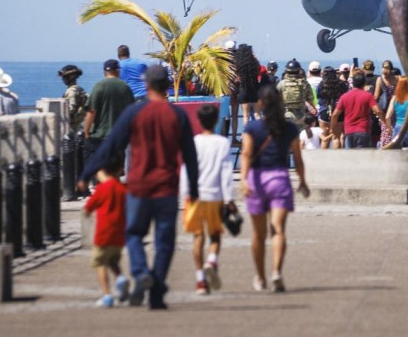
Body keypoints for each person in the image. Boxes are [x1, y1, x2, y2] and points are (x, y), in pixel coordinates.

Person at [79, 64, 199, 310]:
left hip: (139, 187)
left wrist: (86, 173)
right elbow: (190, 156)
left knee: (133, 235)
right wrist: (194, 191)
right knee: (164, 242)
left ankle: (141, 270)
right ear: (166, 87)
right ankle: (156, 295)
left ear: (146, 86)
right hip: (166, 188)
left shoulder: (134, 113)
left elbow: (111, 146)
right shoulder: (177, 116)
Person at [240, 85, 310, 292]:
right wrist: (303, 181)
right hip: (279, 179)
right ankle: (276, 272)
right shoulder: (289, 128)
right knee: (278, 230)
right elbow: (298, 159)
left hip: (256, 180)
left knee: (258, 235)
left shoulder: (251, 128)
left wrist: (243, 179)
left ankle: (260, 278)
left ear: (260, 104)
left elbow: (245, 154)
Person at [179, 103, 236, 295]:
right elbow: (226, 173)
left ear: (199, 121)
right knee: (215, 236)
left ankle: (200, 281)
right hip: (215, 195)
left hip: (195, 195)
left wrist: (185, 193)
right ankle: (211, 260)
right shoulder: (222, 143)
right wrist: (229, 199)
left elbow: (186, 169)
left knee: (198, 237)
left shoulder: (193, 142)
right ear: (216, 120)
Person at [83, 154, 129, 308]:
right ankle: (120, 277)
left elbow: (88, 207)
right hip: (119, 234)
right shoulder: (123, 188)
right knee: (113, 260)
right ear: (121, 169)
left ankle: (107, 295)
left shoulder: (102, 189)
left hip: (103, 233)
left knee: (99, 262)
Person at [84, 60, 134, 169]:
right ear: (117, 71)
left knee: (100, 169)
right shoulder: (125, 87)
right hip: (119, 137)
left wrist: (86, 132)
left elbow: (91, 111)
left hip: (100, 136)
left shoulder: (99, 86)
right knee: (116, 169)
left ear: (104, 72)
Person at [331, 70, 390, 149]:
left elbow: (335, 114)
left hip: (348, 131)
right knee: (363, 157)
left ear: (353, 83)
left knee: (351, 158)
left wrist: (332, 128)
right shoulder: (367, 96)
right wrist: (386, 124)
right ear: (364, 83)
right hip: (363, 130)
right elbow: (378, 111)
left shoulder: (344, 96)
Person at [277, 59, 315, 130]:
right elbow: (310, 99)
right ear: (299, 71)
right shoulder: (304, 84)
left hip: (286, 115)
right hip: (301, 116)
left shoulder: (281, 84)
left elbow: (275, 99)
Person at [316, 66, 348, 149]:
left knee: (325, 138)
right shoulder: (341, 84)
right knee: (336, 137)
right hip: (338, 112)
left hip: (324, 111)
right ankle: (337, 160)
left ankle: (323, 160)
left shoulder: (321, 84)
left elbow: (318, 96)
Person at [234, 44, 261, 131]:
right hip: (255, 89)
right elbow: (259, 69)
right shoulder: (254, 62)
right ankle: (260, 132)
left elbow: (236, 77)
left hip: (244, 90)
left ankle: (246, 134)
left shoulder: (238, 64)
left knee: (246, 115)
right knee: (257, 114)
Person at [58, 65, 88, 135]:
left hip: (73, 128)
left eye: (64, 77)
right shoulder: (79, 89)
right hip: (79, 126)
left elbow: (70, 110)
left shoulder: (71, 91)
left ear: (70, 77)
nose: (63, 79)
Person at [374, 60, 398, 148]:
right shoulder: (396, 79)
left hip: (385, 109)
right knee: (392, 130)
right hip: (393, 109)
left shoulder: (380, 79)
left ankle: (385, 147)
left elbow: (376, 96)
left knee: (385, 131)